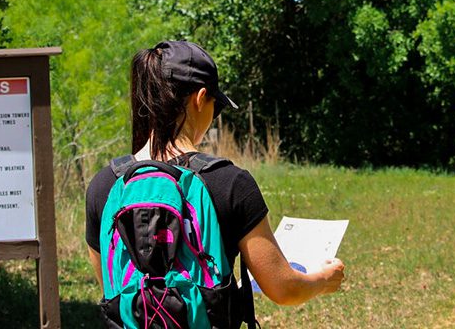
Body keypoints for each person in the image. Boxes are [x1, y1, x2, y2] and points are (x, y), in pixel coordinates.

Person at [85, 40, 345, 320]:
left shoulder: (105, 185)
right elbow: (283, 288)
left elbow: (112, 286)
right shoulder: (229, 183)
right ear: (200, 98)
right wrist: (323, 279)